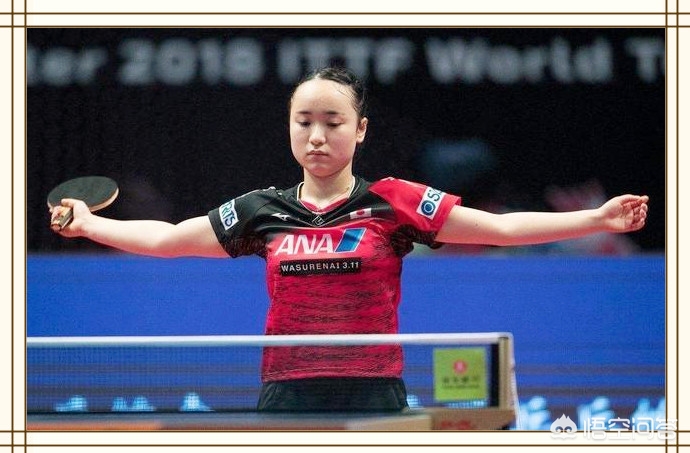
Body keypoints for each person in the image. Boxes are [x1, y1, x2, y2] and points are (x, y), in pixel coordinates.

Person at [50, 66, 649, 413]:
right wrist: (89, 224)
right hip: (287, 392)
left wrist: (596, 219)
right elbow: (171, 239)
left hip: (373, 391)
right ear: (289, 129)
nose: (317, 136)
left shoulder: (394, 201)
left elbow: (499, 229)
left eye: (332, 123)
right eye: (304, 122)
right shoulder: (262, 209)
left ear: (359, 130)